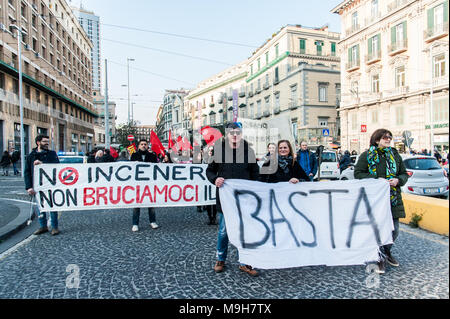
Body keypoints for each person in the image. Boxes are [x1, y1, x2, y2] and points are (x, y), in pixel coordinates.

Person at [206, 122, 260, 277]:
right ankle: (220, 259)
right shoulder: (218, 151)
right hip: (226, 199)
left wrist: (254, 189)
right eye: (231, 132)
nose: (234, 135)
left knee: (245, 230)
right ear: (227, 134)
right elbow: (210, 171)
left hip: (244, 198)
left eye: (237, 132)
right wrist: (215, 179)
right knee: (223, 231)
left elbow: (255, 172)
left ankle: (245, 262)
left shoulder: (248, 151)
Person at [354, 129, 409, 274]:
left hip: (393, 198)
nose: (388, 139)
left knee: (394, 230)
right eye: (385, 137)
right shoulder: (367, 155)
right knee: (376, 229)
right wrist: (376, 180)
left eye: (390, 137)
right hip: (375, 199)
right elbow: (358, 173)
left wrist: (398, 180)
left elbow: (404, 173)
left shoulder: (395, 155)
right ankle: (378, 258)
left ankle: (386, 251)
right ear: (377, 140)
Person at [24, 135, 61, 236]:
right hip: (36, 186)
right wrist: (29, 187)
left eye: (47, 141)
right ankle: (43, 226)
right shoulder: (31, 156)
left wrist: (42, 163)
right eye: (44, 141)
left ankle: (54, 227)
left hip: (49, 185)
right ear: (38, 142)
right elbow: (27, 172)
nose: (47, 143)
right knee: (40, 207)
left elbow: (56, 166)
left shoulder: (52, 154)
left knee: (52, 206)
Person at [130, 139, 159, 231]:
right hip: (137, 183)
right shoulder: (134, 155)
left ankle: (152, 221)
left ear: (147, 146)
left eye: (145, 144)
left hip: (149, 183)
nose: (143, 146)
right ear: (138, 146)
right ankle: (135, 223)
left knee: (151, 203)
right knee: (136, 204)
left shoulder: (152, 156)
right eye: (141, 144)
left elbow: (157, 167)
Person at [203, 146, 217, 225]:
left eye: (212, 151)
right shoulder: (205, 160)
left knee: (214, 201)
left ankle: (214, 217)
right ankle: (209, 217)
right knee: (208, 201)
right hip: (206, 183)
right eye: (209, 151)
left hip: (214, 182)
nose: (210, 152)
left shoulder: (216, 159)